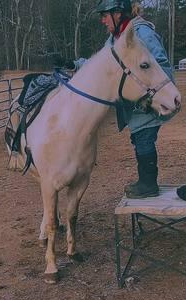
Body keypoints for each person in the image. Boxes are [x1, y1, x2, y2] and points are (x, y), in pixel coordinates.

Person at [65, 0, 177, 199]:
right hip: (136, 104)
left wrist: (150, 96)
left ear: (118, 14)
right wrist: (73, 64)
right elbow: (99, 65)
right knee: (140, 139)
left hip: (147, 103)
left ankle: (148, 184)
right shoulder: (116, 39)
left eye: (104, 15)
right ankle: (146, 182)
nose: (102, 20)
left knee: (144, 139)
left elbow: (161, 66)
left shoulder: (141, 34)